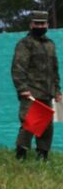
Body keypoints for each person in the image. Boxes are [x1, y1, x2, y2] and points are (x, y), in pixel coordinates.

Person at [12, 9, 59, 160]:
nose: (40, 26)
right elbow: (18, 67)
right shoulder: (25, 44)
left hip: (47, 92)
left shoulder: (50, 45)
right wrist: (22, 89)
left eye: (43, 23)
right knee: (29, 123)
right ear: (31, 24)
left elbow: (54, 69)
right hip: (31, 92)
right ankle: (21, 155)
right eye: (37, 23)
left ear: (47, 24)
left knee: (46, 126)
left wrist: (57, 90)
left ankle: (42, 155)